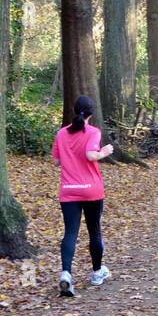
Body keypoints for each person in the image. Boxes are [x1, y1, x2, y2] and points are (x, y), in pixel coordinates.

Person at [51, 95, 113, 297]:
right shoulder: (93, 132)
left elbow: (56, 161)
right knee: (94, 231)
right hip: (91, 190)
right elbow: (90, 155)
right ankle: (97, 273)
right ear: (91, 113)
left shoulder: (61, 134)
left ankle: (66, 274)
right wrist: (105, 151)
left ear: (74, 110)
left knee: (70, 233)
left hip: (69, 190)